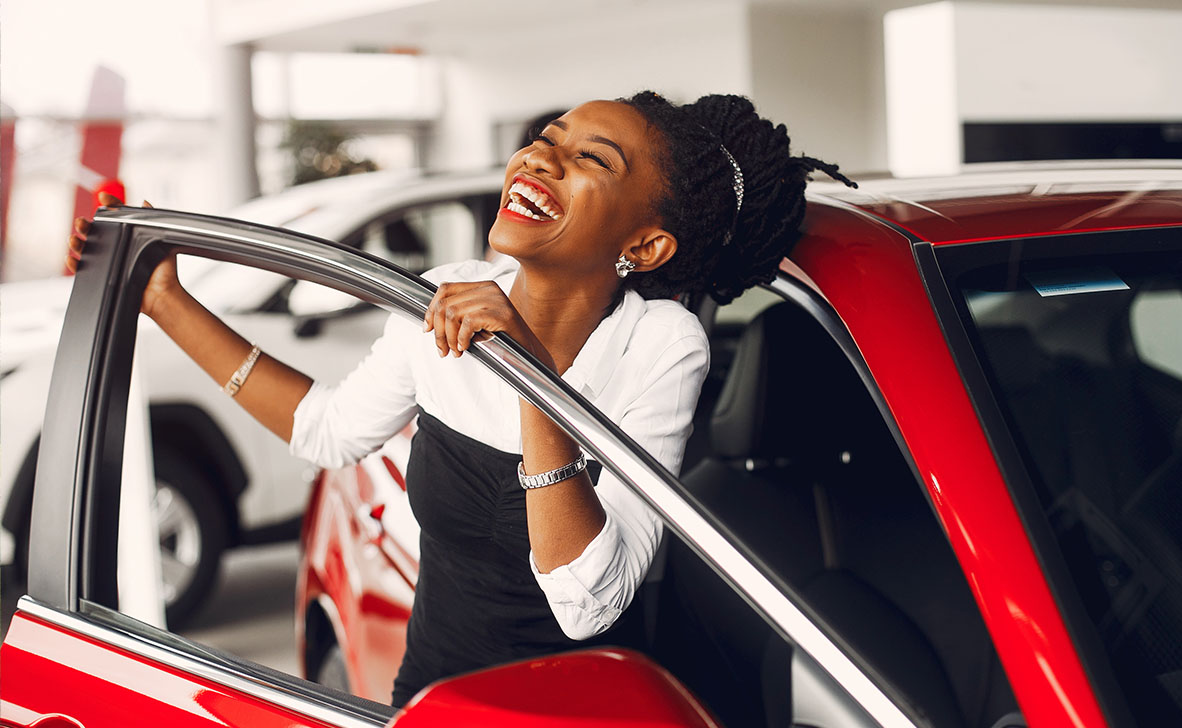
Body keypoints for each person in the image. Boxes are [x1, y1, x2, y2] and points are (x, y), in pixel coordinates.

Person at [70, 91, 856, 707]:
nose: (541, 160)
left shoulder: (661, 346)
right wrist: (165, 300)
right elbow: (327, 432)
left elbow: (590, 604)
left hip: (585, 710)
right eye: (546, 139)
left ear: (644, 246)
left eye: (592, 159)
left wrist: (526, 371)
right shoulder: (444, 295)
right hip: (434, 701)